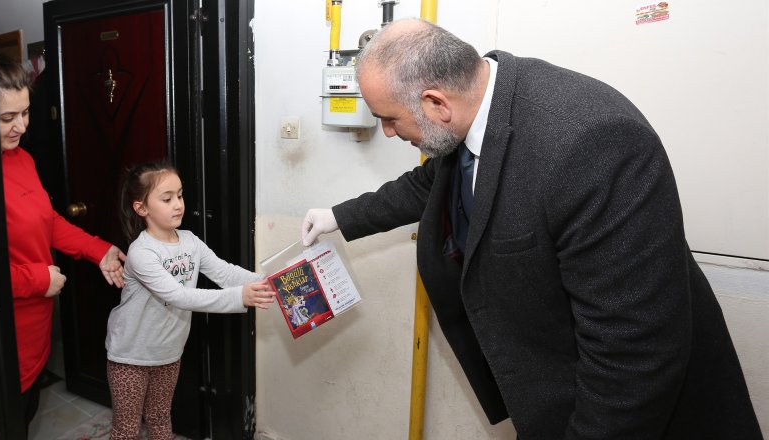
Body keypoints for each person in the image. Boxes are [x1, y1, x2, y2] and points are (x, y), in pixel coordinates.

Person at [301, 19, 761, 439]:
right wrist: (340, 217)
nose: (386, 132)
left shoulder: (591, 143)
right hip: (555, 398)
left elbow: (632, 362)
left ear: (435, 102)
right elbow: (433, 183)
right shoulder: (476, 105)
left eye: (389, 119)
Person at [0, 53, 127, 434]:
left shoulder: (22, 160)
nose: (21, 125)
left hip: (37, 330)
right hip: (11, 335)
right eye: (7, 118)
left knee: (29, 410)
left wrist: (98, 249)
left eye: (25, 113)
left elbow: (48, 221)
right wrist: (39, 280)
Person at [105, 162, 274, 439]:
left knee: (160, 419)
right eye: (167, 198)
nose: (178, 205)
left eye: (180, 195)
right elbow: (178, 295)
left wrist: (267, 281)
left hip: (168, 352)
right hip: (130, 355)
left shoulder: (190, 241)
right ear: (141, 208)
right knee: (126, 430)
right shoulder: (142, 252)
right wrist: (239, 297)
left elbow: (224, 271)